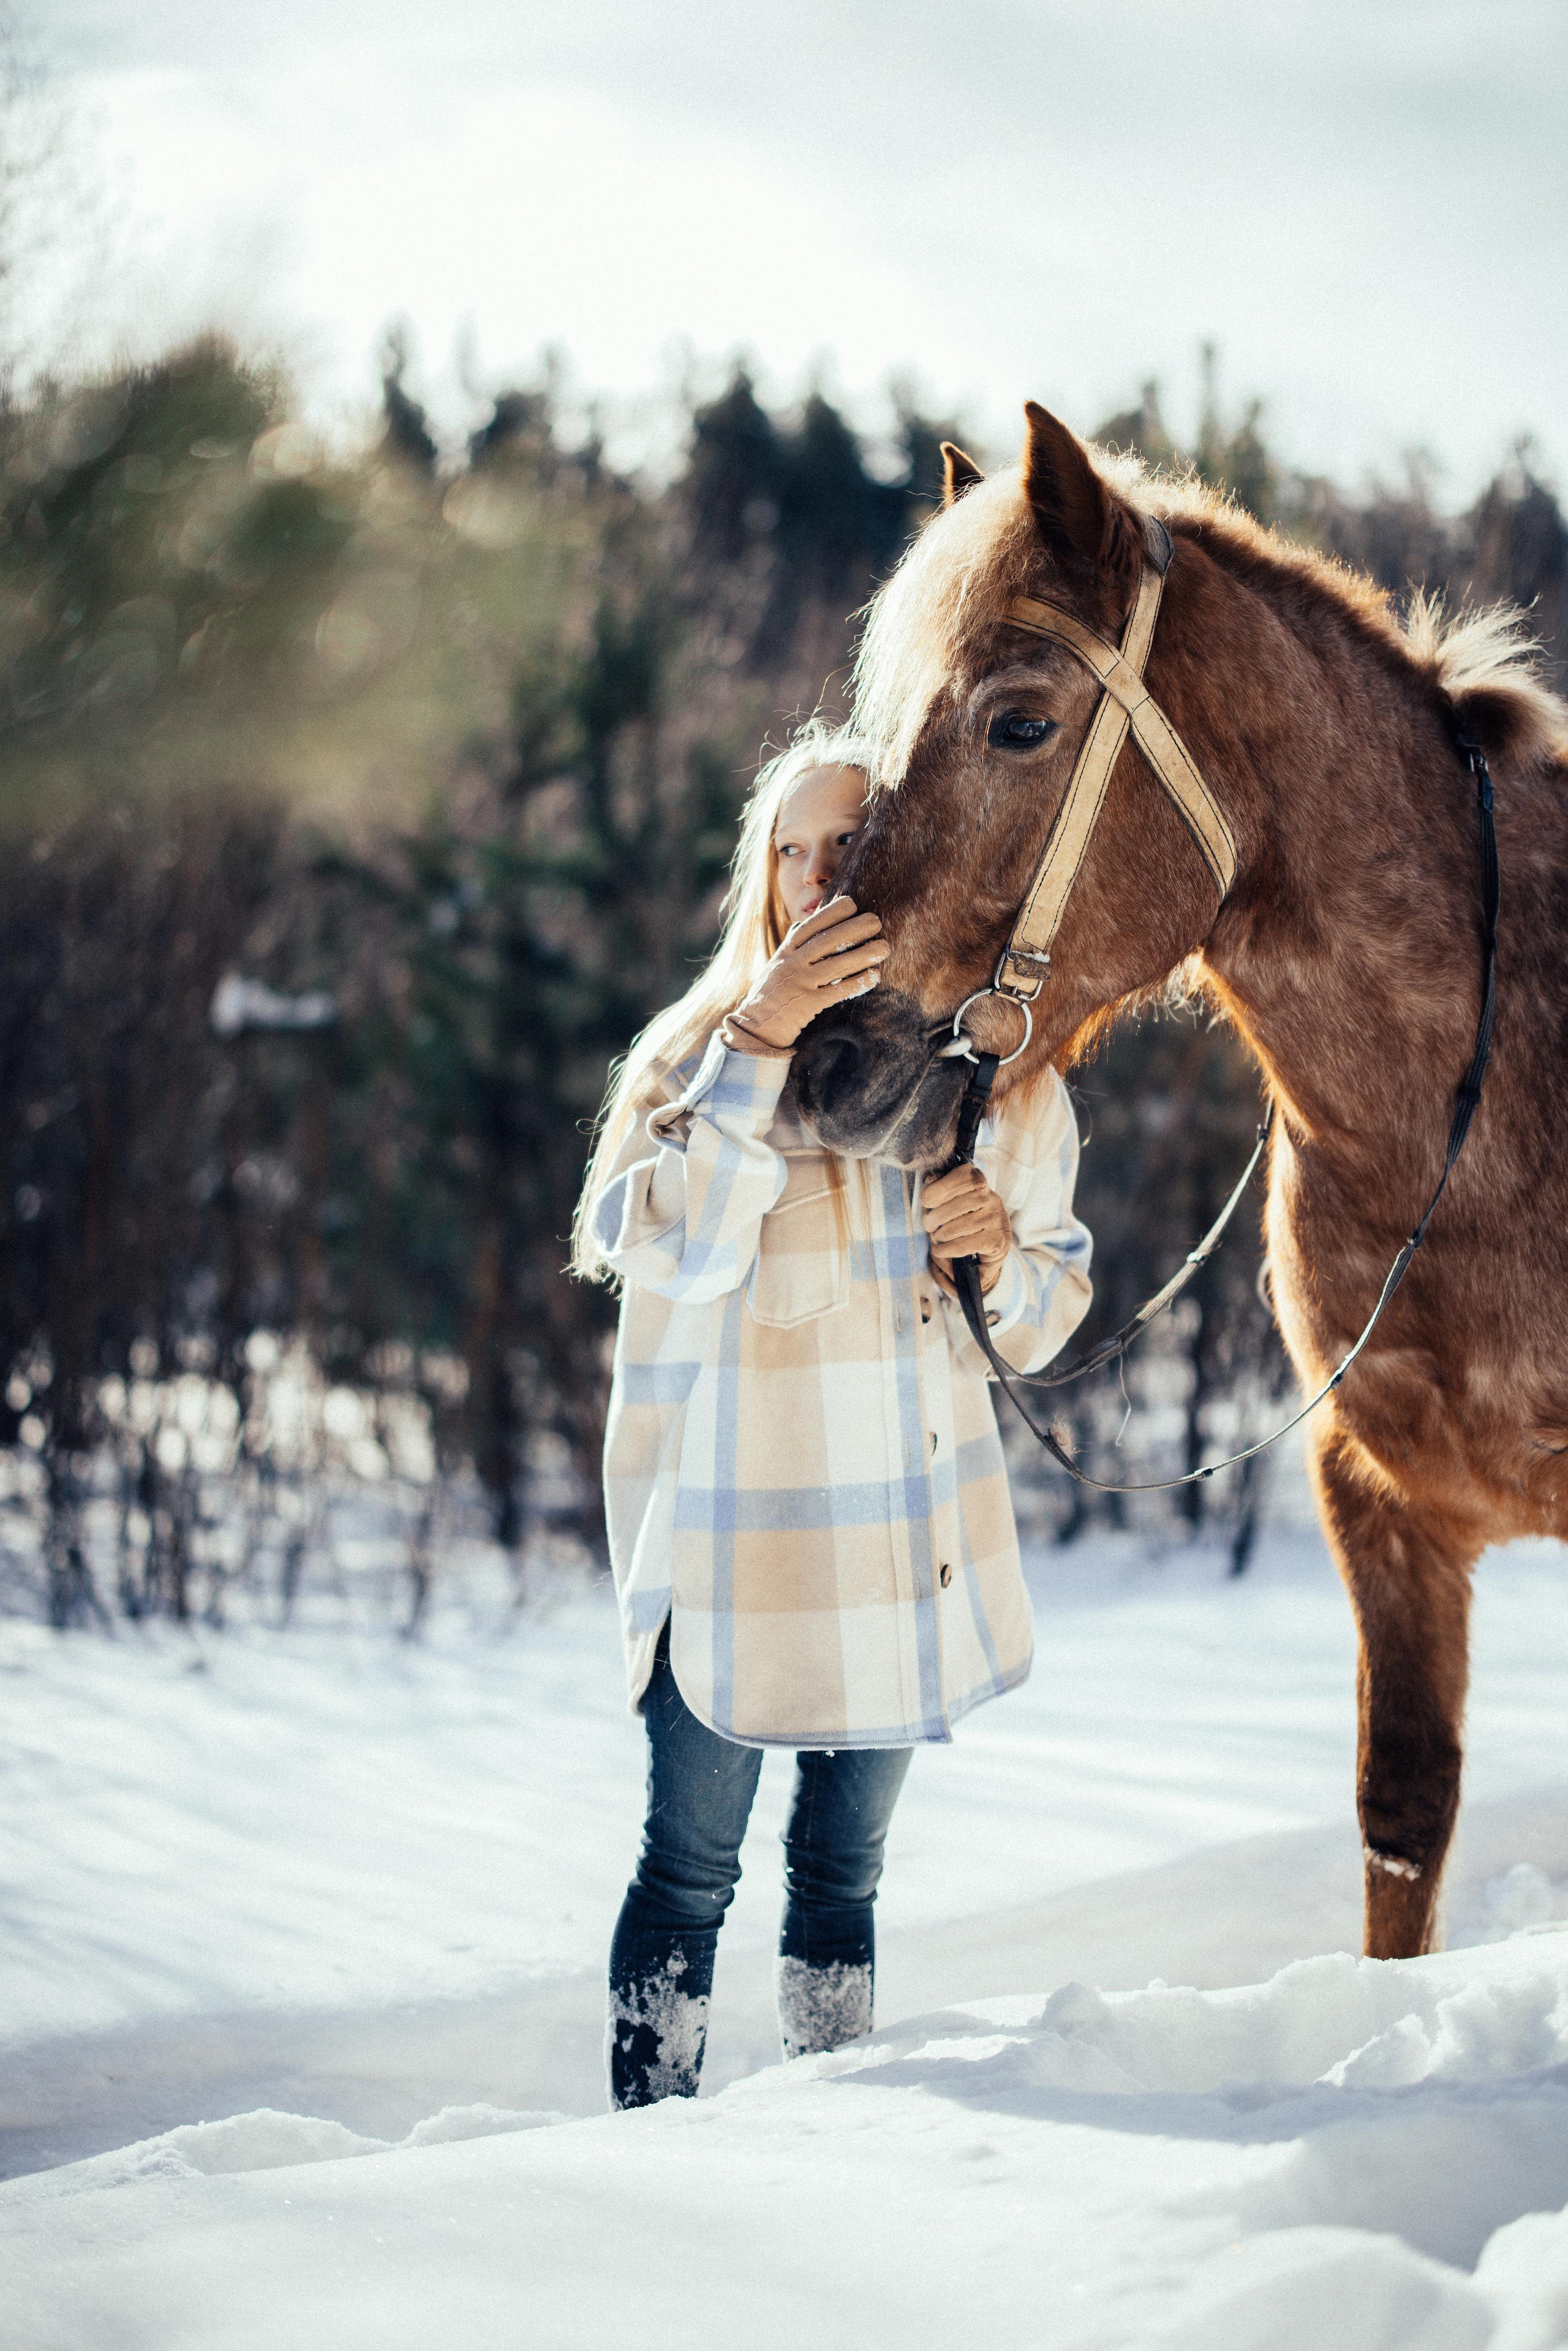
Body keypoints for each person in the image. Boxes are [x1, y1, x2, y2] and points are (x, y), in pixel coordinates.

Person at [571, 719, 1093, 2110]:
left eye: (844, 844)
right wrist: (760, 1037)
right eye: (787, 852)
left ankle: (833, 2119)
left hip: (893, 1548)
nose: (814, 877)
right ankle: (640, 2137)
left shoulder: (999, 1079)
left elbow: (1040, 1323)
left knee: (840, 1874)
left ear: (903, 853)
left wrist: (989, 1253)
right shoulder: (693, 1058)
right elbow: (666, 1248)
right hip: (731, 1549)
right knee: (687, 1872)